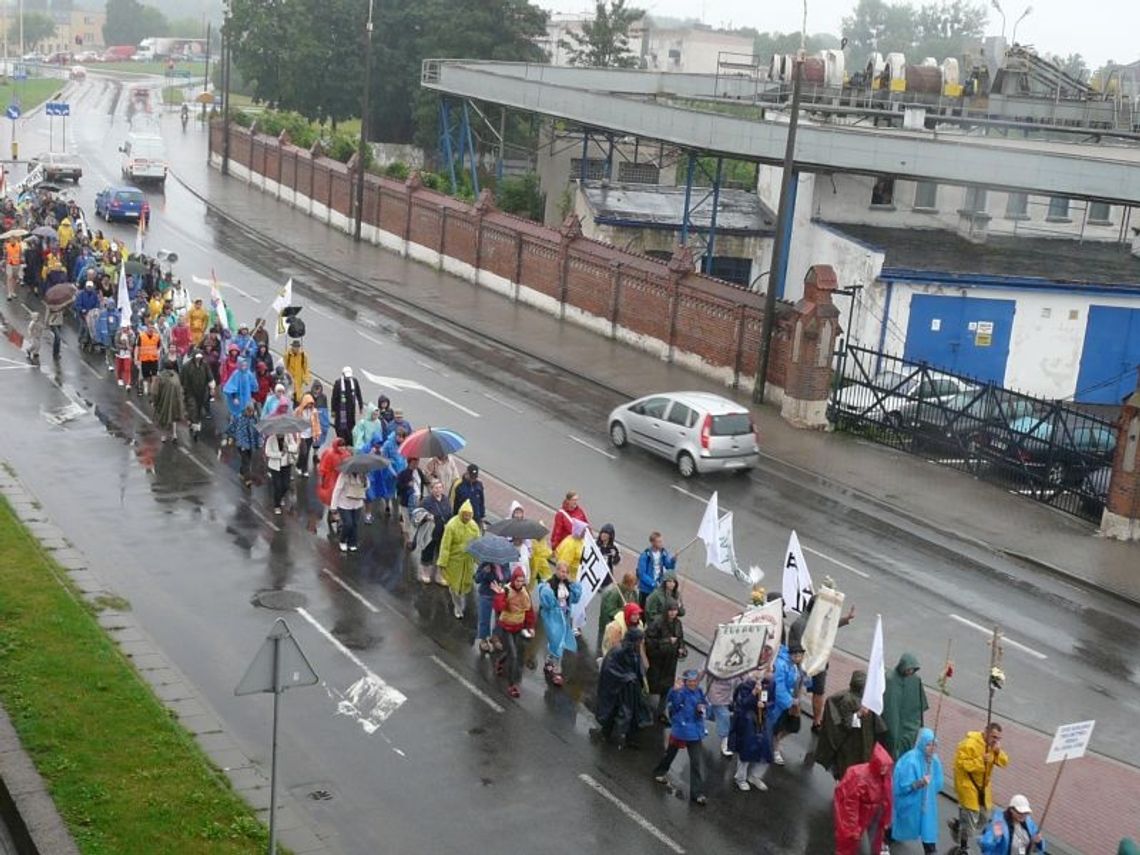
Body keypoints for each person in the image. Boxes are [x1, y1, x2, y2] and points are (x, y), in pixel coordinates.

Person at [786, 584, 855, 732]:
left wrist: (845, 620)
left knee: (819, 691)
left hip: (819, 663)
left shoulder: (818, 620)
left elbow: (829, 626)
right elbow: (796, 648)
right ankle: (791, 716)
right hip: (803, 665)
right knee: (796, 690)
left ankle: (817, 721)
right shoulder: (800, 624)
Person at [815, 670, 888, 781]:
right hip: (851, 743)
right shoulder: (848, 700)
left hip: (864, 740)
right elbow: (847, 723)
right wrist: (858, 714)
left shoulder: (865, 699)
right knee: (847, 770)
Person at [652, 669, 710, 805]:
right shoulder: (679, 692)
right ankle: (660, 771)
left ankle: (697, 793)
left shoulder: (700, 692)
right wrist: (676, 691)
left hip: (695, 732)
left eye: (694, 681)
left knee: (696, 762)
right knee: (671, 753)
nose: (692, 684)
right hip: (681, 730)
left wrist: (703, 708)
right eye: (690, 681)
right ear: (685, 681)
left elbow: (706, 708)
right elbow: (675, 707)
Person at [951, 723, 1009, 853]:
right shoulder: (969, 744)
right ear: (986, 732)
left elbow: (1004, 762)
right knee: (970, 823)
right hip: (968, 785)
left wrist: (997, 752)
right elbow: (962, 765)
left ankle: (958, 825)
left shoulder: (993, 747)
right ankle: (963, 846)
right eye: (993, 736)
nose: (996, 740)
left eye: (999, 738)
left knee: (983, 818)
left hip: (983, 787)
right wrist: (981, 761)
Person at [590, 627, 648, 749]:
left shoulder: (634, 650)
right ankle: (607, 733)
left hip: (630, 688)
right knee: (615, 712)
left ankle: (628, 738)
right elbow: (609, 668)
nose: (641, 643)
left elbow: (637, 666)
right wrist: (626, 677)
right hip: (618, 689)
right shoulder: (618, 650)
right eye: (639, 640)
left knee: (632, 713)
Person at [834, 743, 894, 855]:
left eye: (887, 767)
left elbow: (887, 798)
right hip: (863, 814)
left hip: (873, 814)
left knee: (870, 844)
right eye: (883, 766)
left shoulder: (884, 778)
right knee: (851, 845)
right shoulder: (861, 777)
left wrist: (886, 818)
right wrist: (852, 827)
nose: (885, 769)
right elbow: (850, 805)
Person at [892, 728, 944, 854]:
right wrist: (919, 783)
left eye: (934, 744)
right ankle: (888, 836)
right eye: (928, 744)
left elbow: (938, 782)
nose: (932, 748)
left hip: (926, 803)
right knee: (902, 822)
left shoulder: (934, 761)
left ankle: (930, 849)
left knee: (927, 826)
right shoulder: (911, 760)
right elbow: (903, 786)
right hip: (911, 802)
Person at [491, 567, 535, 698]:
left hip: (518, 627)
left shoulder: (525, 593)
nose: (520, 583)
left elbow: (529, 611)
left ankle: (500, 662)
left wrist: (530, 626)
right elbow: (499, 607)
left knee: (510, 651)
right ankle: (512, 685)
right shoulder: (506, 590)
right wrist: (499, 594)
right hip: (506, 627)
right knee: (514, 656)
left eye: (522, 581)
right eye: (518, 581)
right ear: (513, 580)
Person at [537, 561, 581, 687]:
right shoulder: (549, 585)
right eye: (562, 571)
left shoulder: (568, 585)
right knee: (557, 641)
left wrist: (575, 586)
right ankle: (557, 670)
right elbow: (547, 603)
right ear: (556, 571)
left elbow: (574, 598)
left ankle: (550, 662)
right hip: (553, 618)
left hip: (564, 617)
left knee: (559, 641)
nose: (564, 574)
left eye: (566, 572)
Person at [729, 675, 774, 791]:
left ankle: (755, 776)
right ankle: (740, 778)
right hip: (747, 721)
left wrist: (765, 705)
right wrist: (753, 694)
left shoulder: (770, 684)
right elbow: (741, 704)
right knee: (745, 750)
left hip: (762, 721)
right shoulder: (745, 685)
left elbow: (772, 701)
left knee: (766, 750)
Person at [438, 499, 480, 619]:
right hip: (454, 561)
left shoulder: (474, 526)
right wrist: (442, 562)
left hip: (468, 561)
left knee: (466, 584)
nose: (467, 517)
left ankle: (461, 601)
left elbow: (478, 544)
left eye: (469, 515)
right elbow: (445, 545)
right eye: (465, 515)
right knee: (454, 585)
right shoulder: (452, 525)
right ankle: (458, 606)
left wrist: (479, 561)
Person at [883, 652, 929, 760]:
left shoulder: (915, 680)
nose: (910, 672)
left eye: (912, 670)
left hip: (909, 729)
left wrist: (918, 724)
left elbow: (919, 704)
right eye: (908, 669)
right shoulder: (889, 679)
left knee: (905, 755)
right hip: (892, 726)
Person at [645, 598, 685, 720]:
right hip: (657, 662)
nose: (673, 613)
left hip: (671, 662)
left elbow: (681, 639)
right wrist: (667, 641)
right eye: (671, 610)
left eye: (675, 610)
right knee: (652, 687)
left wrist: (682, 649)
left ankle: (660, 713)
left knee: (666, 688)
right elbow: (650, 642)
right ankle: (645, 710)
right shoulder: (657, 623)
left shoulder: (678, 624)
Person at [771, 643, 809, 766]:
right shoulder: (782, 665)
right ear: (790, 654)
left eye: (800, 655)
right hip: (782, 704)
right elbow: (779, 686)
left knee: (793, 726)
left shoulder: (796, 667)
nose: (798, 657)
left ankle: (774, 744)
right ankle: (774, 749)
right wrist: (789, 702)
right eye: (796, 655)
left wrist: (807, 679)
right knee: (778, 727)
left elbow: (805, 682)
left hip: (794, 702)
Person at [979, 795, 1045, 855]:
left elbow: (1038, 847)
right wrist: (994, 837)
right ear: (1011, 810)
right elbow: (986, 843)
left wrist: (1039, 842)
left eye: (1026, 812)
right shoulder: (999, 823)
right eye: (1019, 812)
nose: (1023, 815)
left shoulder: (1029, 823)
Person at [418, 478, 452, 584]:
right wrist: (427, 517)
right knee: (428, 552)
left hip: (443, 532)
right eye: (436, 488)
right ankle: (425, 573)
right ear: (431, 489)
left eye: (440, 487)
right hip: (430, 532)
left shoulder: (446, 500)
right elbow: (418, 515)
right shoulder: (426, 501)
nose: (438, 490)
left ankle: (439, 576)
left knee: (442, 554)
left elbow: (450, 513)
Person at [317, 438, 352, 535]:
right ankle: (337, 519)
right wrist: (322, 481)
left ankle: (335, 517)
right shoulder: (329, 454)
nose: (342, 448)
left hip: (342, 478)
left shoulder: (347, 454)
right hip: (331, 479)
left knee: (341, 500)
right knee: (333, 498)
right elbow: (322, 469)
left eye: (343, 445)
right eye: (340, 445)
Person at [474, 560, 510, 653]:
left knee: (500, 618)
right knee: (484, 618)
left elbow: (508, 575)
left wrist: (501, 577)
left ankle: (495, 636)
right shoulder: (485, 563)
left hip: (499, 594)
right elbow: (477, 579)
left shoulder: (505, 562)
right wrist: (485, 572)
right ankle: (483, 640)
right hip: (486, 594)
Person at [598, 571, 638, 651]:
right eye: (634, 585)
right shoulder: (615, 593)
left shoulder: (633, 593)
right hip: (611, 625)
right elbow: (610, 611)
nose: (635, 587)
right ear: (628, 584)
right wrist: (625, 610)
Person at [331, 470, 368, 552]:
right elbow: (337, 490)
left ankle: (352, 542)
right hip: (344, 504)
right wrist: (333, 506)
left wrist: (365, 480)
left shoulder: (362, 475)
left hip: (357, 504)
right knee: (348, 523)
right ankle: (343, 540)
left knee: (355, 524)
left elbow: (367, 487)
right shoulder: (343, 475)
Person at [264, 429, 299, 514]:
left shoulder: (289, 436)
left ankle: (281, 496)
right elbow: (268, 452)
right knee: (278, 486)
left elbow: (295, 447)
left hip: (286, 465)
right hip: (275, 467)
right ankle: (277, 505)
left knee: (286, 485)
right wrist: (279, 454)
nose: (281, 434)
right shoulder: (270, 439)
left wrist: (288, 448)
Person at [636, 531, 676, 607]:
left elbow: (669, 567)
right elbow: (642, 574)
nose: (661, 543)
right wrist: (653, 583)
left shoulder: (663, 553)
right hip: (646, 589)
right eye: (659, 542)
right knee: (644, 608)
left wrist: (673, 560)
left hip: (658, 587)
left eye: (661, 541)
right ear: (653, 543)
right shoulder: (645, 555)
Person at [180, 350, 212, 440]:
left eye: (200, 357)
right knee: (192, 408)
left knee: (198, 409)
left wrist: (212, 387)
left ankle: (192, 421)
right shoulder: (186, 366)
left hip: (202, 392)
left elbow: (210, 377)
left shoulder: (205, 365)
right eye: (197, 357)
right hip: (190, 392)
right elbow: (182, 379)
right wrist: (182, 389)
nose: (198, 359)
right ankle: (196, 429)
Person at [150, 359, 184, 443]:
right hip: (175, 401)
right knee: (173, 418)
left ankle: (164, 436)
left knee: (163, 419)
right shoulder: (176, 375)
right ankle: (174, 434)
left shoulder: (160, 377)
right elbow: (180, 389)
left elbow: (155, 391)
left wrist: (153, 401)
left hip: (164, 401)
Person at [232, 402, 261, 488]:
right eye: (249, 411)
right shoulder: (241, 418)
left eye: (252, 411)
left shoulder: (255, 419)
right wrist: (242, 444)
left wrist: (258, 443)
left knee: (248, 460)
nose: (250, 413)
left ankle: (242, 472)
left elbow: (257, 432)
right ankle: (248, 480)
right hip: (243, 445)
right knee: (246, 461)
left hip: (251, 444)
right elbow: (239, 432)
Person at [331, 366, 363, 442]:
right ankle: (341, 440)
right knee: (341, 427)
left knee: (351, 425)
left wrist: (361, 406)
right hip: (341, 410)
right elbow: (334, 398)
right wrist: (333, 411)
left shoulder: (354, 381)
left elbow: (358, 394)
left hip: (351, 409)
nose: (348, 379)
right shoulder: (338, 383)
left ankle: (349, 441)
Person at [451, 464, 486, 531]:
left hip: (475, 520)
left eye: (475, 477)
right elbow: (452, 502)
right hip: (462, 520)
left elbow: (481, 502)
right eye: (471, 477)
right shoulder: (458, 484)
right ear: (467, 473)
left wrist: (482, 518)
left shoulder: (479, 484)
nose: (473, 479)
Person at [294, 393, 319, 477]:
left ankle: (304, 469)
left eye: (311, 404)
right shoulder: (298, 411)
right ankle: (298, 465)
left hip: (310, 435)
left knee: (307, 453)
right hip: (301, 435)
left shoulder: (314, 411)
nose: (310, 405)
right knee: (303, 452)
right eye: (309, 403)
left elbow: (316, 423)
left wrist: (316, 433)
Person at [284, 340, 310, 404]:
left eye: (297, 347)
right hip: (290, 381)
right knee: (289, 399)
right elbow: (284, 367)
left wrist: (306, 379)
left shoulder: (303, 356)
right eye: (294, 347)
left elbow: (306, 368)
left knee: (298, 400)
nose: (296, 348)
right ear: (292, 347)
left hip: (298, 382)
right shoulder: (287, 355)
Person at [596, 523, 620, 588]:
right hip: (595, 577)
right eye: (602, 532)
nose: (603, 535)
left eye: (606, 533)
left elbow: (616, 563)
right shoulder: (595, 544)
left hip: (607, 578)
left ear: (610, 535)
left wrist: (615, 556)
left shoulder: (614, 548)